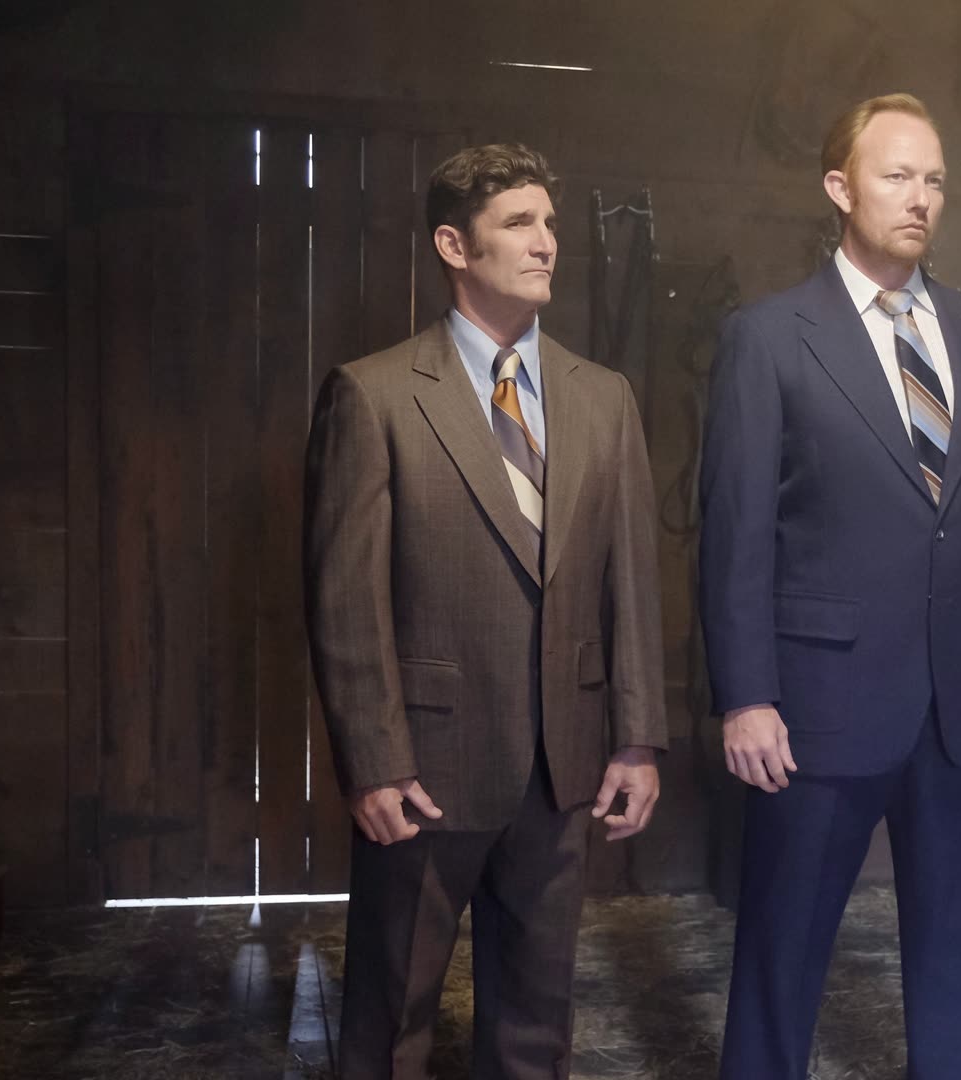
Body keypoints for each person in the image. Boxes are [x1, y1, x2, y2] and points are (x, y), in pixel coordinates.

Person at [699, 93, 961, 1080]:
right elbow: (735, 534)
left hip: (958, 701)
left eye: (934, 179)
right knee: (783, 954)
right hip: (818, 705)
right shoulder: (770, 336)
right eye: (897, 175)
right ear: (840, 187)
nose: (920, 197)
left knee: (953, 958)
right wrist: (747, 695)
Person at [304, 143, 666, 1080]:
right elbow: (346, 602)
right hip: (425, 770)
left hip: (561, 767)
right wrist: (373, 760)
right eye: (518, 223)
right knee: (391, 1021)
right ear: (454, 246)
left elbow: (632, 581)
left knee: (537, 1026)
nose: (546, 243)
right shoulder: (376, 394)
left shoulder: (603, 399)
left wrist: (635, 740)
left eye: (549, 223)